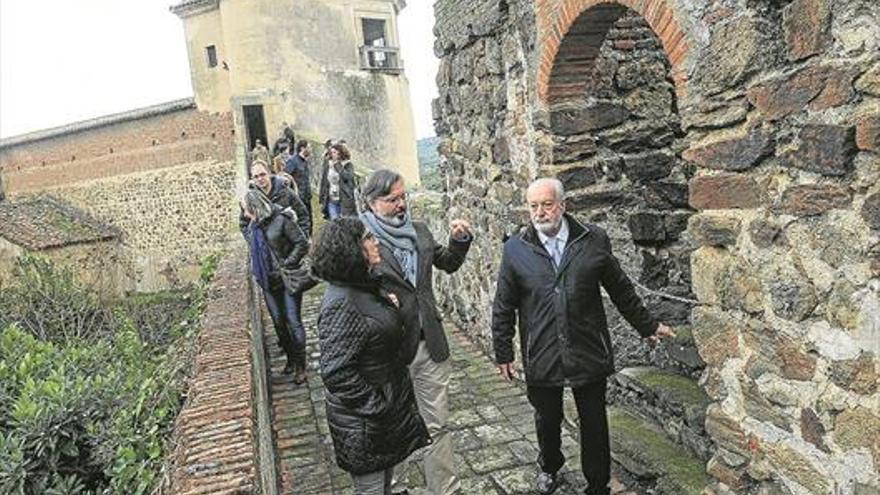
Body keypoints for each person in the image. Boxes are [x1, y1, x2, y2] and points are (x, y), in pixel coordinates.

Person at [491, 178, 676, 495]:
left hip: (587, 346)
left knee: (594, 422)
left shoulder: (593, 240)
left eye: (546, 204)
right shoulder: (515, 249)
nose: (539, 212)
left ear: (562, 205)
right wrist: (503, 352)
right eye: (533, 206)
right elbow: (504, 304)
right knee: (547, 418)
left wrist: (647, 326)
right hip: (541, 350)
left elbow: (620, 289)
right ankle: (550, 466)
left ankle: (598, 484)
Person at [360, 169, 472, 495]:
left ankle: (446, 489)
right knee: (394, 426)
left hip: (430, 345)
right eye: (391, 199)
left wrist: (459, 239)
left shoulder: (419, 232)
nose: (400, 204)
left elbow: (447, 262)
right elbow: (351, 290)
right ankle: (396, 489)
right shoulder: (362, 241)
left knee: (438, 425)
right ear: (371, 202)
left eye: (403, 196)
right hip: (390, 352)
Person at [313, 217, 430, 494]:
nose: (375, 241)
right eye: (367, 238)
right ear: (351, 249)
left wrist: (389, 309)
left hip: (379, 419)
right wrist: (378, 405)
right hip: (365, 425)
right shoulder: (341, 303)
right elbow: (336, 373)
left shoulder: (364, 286)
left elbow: (377, 337)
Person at [242, 188, 310, 382]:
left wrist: (287, 262)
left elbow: (301, 243)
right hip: (267, 282)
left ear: (255, 208)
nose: (245, 214)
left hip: (286, 278)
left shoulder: (282, 219)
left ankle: (301, 366)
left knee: (293, 320)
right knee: (279, 323)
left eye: (247, 210)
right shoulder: (253, 227)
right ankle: (290, 359)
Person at [239, 160, 311, 239]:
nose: (260, 179)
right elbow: (244, 223)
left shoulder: (286, 192)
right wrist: (252, 241)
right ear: (252, 178)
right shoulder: (250, 198)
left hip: (287, 246)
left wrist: (302, 238)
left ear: (269, 173)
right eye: (256, 176)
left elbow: (303, 215)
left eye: (262, 174)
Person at [319, 143, 357, 219]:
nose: (333, 155)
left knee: (344, 224)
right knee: (334, 223)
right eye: (332, 152)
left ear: (341, 153)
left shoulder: (348, 165)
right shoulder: (328, 164)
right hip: (331, 199)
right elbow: (324, 181)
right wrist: (322, 196)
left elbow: (347, 177)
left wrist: (338, 166)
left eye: (335, 152)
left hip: (344, 200)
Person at [284, 140, 314, 233]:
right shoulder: (293, 161)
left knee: (309, 220)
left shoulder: (304, 161)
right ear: (302, 148)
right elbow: (285, 177)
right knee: (301, 222)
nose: (310, 149)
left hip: (306, 197)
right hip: (298, 199)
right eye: (309, 147)